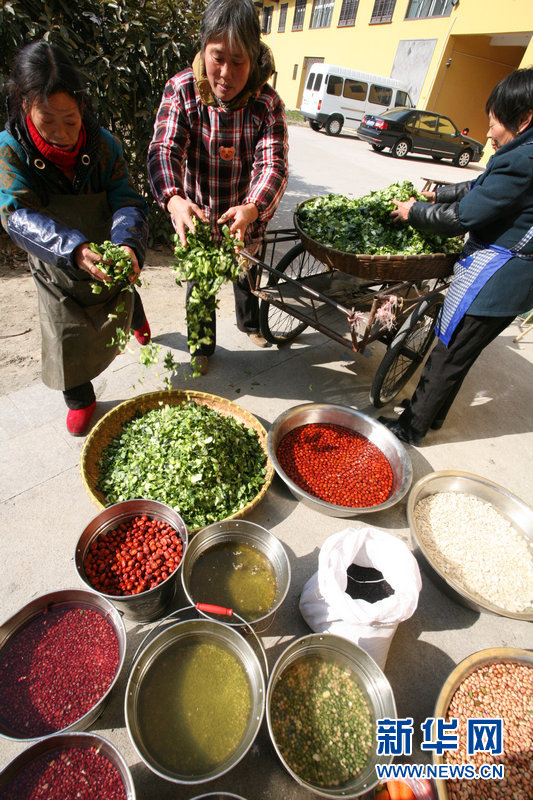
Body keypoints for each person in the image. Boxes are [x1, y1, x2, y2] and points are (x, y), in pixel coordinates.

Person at [0, 41, 150, 436]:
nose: (62, 134)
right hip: (54, 261)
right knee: (63, 333)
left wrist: (127, 244)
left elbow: (127, 201)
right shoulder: (10, 152)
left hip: (105, 248)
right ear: (22, 104)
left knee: (123, 285)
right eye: (47, 120)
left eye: (70, 119)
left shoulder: (105, 147)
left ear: (82, 106)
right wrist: (72, 248)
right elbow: (16, 214)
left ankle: (137, 315)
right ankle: (80, 398)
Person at [378, 67, 533, 446]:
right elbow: (481, 186)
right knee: (461, 352)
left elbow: (463, 218)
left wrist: (412, 211)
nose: (489, 132)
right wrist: (438, 194)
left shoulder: (524, 160)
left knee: (449, 351)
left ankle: (411, 427)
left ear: (524, 119)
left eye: (494, 122)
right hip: (513, 276)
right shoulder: (523, 152)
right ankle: (432, 415)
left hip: (499, 277)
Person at [147, 0, 288, 375]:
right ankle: (202, 345)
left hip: (244, 215)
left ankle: (250, 324)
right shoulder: (181, 90)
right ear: (203, 47)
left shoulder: (267, 103)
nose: (225, 73)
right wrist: (174, 199)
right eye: (217, 58)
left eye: (238, 61)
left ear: (255, 56)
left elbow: (273, 164)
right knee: (201, 286)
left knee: (246, 272)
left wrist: (252, 208)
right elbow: (164, 149)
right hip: (197, 213)